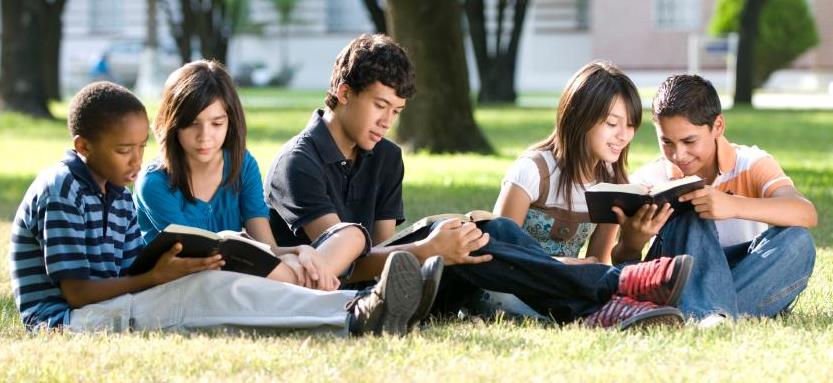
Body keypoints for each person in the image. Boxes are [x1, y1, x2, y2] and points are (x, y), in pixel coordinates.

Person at [265, 33, 695, 330]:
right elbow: (343, 268)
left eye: (396, 111)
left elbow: (382, 249)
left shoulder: (386, 157)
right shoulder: (299, 163)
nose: (387, 122)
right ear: (343, 92)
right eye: (380, 106)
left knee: (486, 231)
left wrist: (434, 247)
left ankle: (603, 301)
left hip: (399, 281)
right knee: (473, 238)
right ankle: (614, 288)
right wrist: (430, 249)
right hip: (348, 295)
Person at [9, 81, 434, 337]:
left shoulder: (113, 187)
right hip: (68, 320)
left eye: (140, 148)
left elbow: (125, 266)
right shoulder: (63, 189)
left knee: (217, 288)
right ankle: (355, 314)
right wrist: (155, 277)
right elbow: (77, 293)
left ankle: (362, 305)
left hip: (111, 301)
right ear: (83, 146)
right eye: (124, 150)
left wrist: (157, 271)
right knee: (212, 295)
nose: (135, 161)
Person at [134, 60, 366, 291]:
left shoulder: (242, 164)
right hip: (189, 284)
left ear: (230, 122)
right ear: (172, 124)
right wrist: (276, 259)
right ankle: (330, 298)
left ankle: (310, 289)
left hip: (246, 273)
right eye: (192, 124)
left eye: (216, 123)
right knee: (279, 271)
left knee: (352, 235)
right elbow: (201, 260)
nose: (205, 136)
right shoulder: (154, 182)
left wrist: (299, 251)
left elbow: (266, 247)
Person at [484, 61, 672, 317]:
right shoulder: (533, 170)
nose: (623, 135)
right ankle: (600, 312)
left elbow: (598, 261)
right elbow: (499, 251)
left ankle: (614, 306)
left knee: (598, 285)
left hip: (564, 287)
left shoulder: (611, 184)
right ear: (580, 117)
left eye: (630, 125)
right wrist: (564, 266)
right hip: (513, 284)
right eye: (612, 123)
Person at [630, 74, 817, 325]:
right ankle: (711, 314)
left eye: (689, 140)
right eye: (666, 142)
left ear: (717, 126)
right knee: (691, 210)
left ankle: (705, 314)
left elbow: (805, 213)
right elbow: (623, 266)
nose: (678, 154)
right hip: (676, 277)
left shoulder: (752, 163)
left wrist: (733, 205)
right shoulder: (649, 179)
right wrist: (634, 240)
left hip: (742, 273)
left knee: (798, 240)